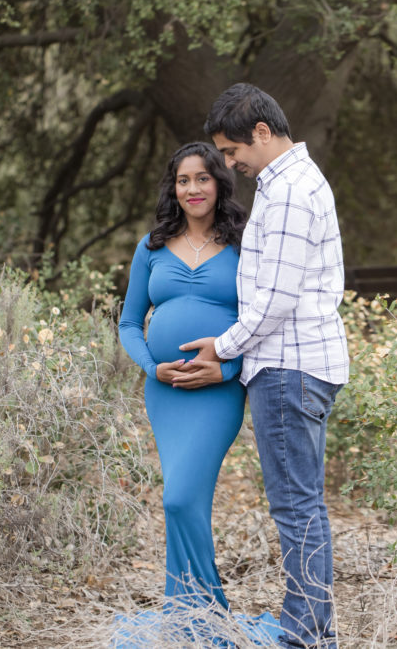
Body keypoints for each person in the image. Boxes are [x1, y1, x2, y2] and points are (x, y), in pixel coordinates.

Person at [178, 83, 349, 649]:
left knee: (296, 507)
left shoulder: (293, 191)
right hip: (298, 365)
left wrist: (223, 347)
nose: (230, 165)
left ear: (261, 132)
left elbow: (275, 298)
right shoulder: (291, 184)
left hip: (288, 367)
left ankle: (303, 635)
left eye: (231, 153)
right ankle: (313, 629)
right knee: (305, 504)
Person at [117, 142, 260, 638]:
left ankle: (208, 619)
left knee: (178, 498)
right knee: (185, 502)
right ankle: (188, 621)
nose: (192, 189)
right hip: (166, 394)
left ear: (220, 182)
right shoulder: (151, 247)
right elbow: (129, 323)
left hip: (218, 394)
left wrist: (224, 371)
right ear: (173, 188)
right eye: (183, 180)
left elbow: (261, 325)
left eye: (202, 178)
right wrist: (152, 368)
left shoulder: (245, 246)